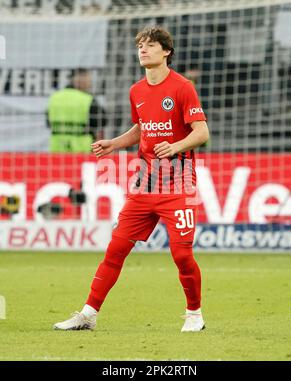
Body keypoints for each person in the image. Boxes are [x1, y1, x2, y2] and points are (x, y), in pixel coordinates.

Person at [53, 26, 209, 332]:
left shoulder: (182, 87)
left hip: (179, 183)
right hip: (145, 184)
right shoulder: (136, 90)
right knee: (116, 249)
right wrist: (114, 143)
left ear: (166, 51)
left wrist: (175, 146)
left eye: (150, 45)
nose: (143, 49)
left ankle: (194, 315)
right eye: (140, 45)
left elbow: (201, 132)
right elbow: (141, 129)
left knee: (181, 254)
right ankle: (88, 314)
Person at [46, 69, 107, 153]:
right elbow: (102, 121)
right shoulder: (87, 99)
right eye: (88, 80)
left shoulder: (55, 98)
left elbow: (48, 123)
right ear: (80, 80)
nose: (90, 84)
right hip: (81, 152)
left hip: (57, 151)